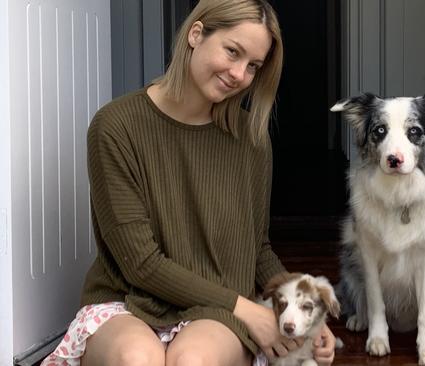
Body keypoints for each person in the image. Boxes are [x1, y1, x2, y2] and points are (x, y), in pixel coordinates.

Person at [40, 0, 336, 365]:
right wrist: (249, 309)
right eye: (233, 51)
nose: (240, 74)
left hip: (219, 309)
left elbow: (257, 249)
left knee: (191, 361)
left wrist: (304, 310)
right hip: (128, 301)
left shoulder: (251, 139)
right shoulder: (115, 126)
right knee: (138, 360)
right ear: (196, 34)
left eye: (253, 66)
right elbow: (141, 264)